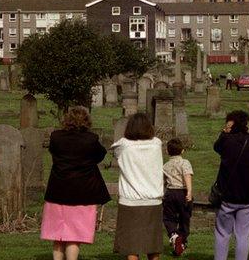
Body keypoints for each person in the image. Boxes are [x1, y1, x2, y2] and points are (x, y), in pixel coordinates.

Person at [41, 106, 111, 260]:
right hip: (83, 193)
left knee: (58, 235)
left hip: (58, 190)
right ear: (86, 121)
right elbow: (101, 155)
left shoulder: (56, 137)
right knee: (74, 235)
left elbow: (53, 152)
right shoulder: (91, 139)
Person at [112, 113, 164, 260]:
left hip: (130, 200)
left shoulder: (124, 145)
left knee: (132, 246)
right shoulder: (156, 143)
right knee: (153, 247)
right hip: (153, 200)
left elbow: (115, 153)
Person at [213, 110, 249, 260]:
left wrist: (224, 132)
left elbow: (217, 147)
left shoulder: (226, 140)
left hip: (228, 194)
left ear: (231, 124)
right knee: (243, 235)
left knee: (222, 233)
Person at [162, 138, 193, 256]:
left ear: (167, 152)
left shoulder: (165, 165)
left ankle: (173, 235)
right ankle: (182, 240)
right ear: (182, 151)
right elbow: (187, 176)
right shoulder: (185, 163)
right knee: (184, 217)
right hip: (182, 192)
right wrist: (189, 191)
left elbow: (163, 182)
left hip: (170, 192)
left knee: (168, 217)